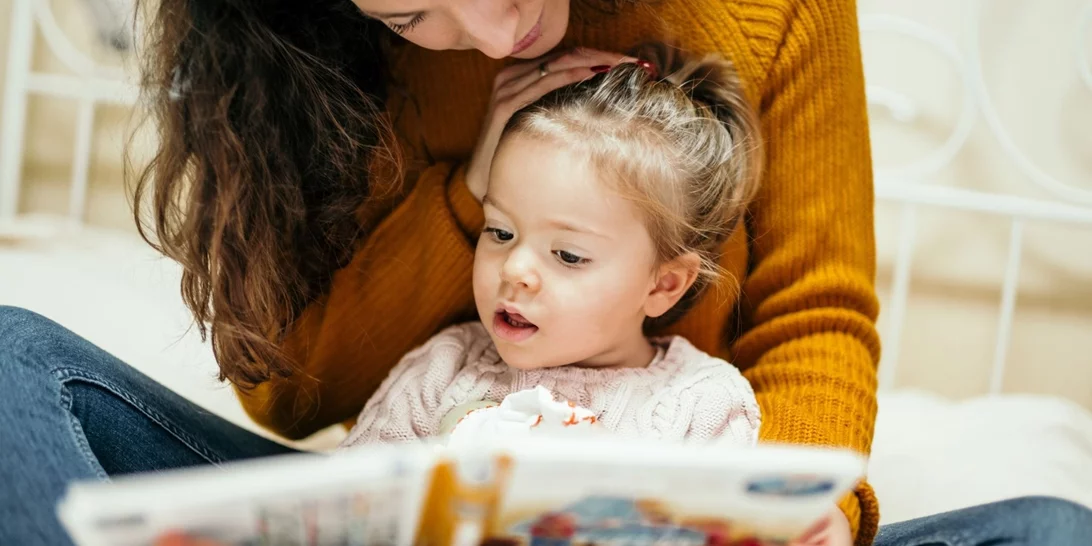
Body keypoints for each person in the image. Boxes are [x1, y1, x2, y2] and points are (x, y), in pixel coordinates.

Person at [1, 0, 1090, 545]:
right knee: (13, 356)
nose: (489, 33)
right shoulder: (443, 361)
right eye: (413, 16)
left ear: (670, 279)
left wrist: (802, 521)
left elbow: (814, 319)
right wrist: (473, 196)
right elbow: (298, 395)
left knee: (1051, 528)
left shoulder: (696, 401)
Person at [340, 49, 763, 450]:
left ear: (663, 284)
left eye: (568, 255)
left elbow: (725, 524)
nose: (514, 268)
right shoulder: (443, 367)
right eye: (500, 232)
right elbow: (352, 504)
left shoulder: (702, 404)